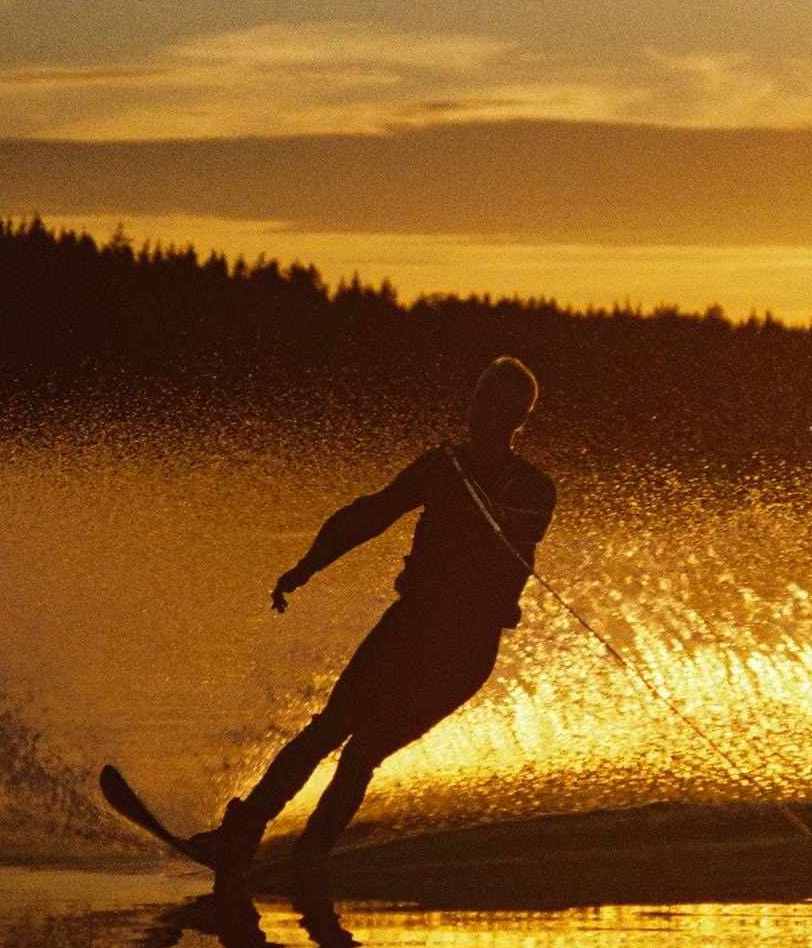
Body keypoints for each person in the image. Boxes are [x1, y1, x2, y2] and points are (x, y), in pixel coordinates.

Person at [183, 357, 555, 876]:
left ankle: (309, 858)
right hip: (412, 625)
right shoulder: (440, 465)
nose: (478, 412)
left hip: (465, 648)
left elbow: (521, 531)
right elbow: (370, 514)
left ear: (517, 418)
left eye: (493, 404)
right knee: (327, 728)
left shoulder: (533, 488)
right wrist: (306, 566)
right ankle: (240, 835)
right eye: (476, 399)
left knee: (363, 753)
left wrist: (480, 502)